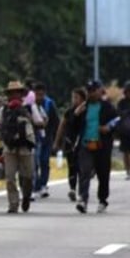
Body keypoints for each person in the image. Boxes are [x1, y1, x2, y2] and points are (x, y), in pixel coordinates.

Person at [70, 79, 119, 214]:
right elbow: (72, 126)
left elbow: (117, 120)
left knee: (103, 173)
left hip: (102, 145)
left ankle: (102, 200)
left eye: (93, 91)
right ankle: (83, 200)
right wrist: (76, 114)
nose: (91, 94)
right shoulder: (83, 107)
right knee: (84, 173)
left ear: (100, 91)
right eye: (89, 91)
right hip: (86, 144)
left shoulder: (107, 107)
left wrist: (107, 128)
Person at [0, 81, 42, 213]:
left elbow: (40, 122)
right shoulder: (4, 109)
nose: (14, 95)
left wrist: (26, 119)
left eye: (17, 92)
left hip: (26, 146)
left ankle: (26, 196)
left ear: (22, 94)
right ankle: (13, 204)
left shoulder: (30, 108)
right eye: (11, 93)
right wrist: (8, 125)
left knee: (28, 176)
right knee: (10, 178)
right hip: (9, 147)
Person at [53, 88, 85, 201]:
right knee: (72, 166)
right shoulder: (69, 112)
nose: (74, 100)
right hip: (70, 142)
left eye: (77, 97)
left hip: (83, 142)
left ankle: (82, 191)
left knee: (82, 167)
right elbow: (61, 127)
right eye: (73, 97)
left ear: (83, 99)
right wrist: (57, 142)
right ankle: (72, 188)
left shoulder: (87, 111)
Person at [33, 82, 59, 197]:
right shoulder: (30, 105)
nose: (39, 97)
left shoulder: (49, 104)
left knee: (44, 161)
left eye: (41, 95)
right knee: (35, 162)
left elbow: (56, 122)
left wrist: (55, 138)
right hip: (34, 138)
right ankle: (36, 184)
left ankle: (43, 184)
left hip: (47, 138)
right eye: (37, 94)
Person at [117, 80, 130, 180]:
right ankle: (128, 171)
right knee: (125, 152)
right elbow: (119, 114)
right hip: (125, 131)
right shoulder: (122, 102)